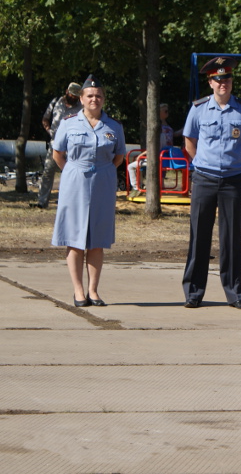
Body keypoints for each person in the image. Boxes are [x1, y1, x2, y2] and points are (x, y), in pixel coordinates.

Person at [181, 56, 241, 310]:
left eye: (226, 78)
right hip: (204, 179)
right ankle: (193, 293)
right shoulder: (198, 109)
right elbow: (189, 142)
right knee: (199, 237)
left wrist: (237, 163)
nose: (223, 83)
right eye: (218, 79)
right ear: (210, 82)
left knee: (231, 239)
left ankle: (235, 293)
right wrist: (203, 163)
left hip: (232, 181)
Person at [51, 74, 126, 307]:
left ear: (104, 99)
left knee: (97, 239)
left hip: (102, 182)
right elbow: (58, 155)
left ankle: (93, 290)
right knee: (74, 238)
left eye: (99, 96)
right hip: (75, 181)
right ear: (81, 99)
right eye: (90, 95)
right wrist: (74, 172)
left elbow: (119, 156)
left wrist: (101, 173)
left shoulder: (114, 126)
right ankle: (78, 291)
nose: (94, 99)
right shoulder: (68, 123)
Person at [32, 82, 82, 209]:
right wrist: (49, 131)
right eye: (72, 95)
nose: (74, 98)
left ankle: (67, 203)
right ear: (67, 91)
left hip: (72, 144)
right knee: (48, 171)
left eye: (77, 96)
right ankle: (42, 202)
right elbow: (45, 119)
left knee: (70, 174)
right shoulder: (56, 102)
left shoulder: (81, 107)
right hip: (55, 143)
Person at [127, 103, 175, 197]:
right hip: (164, 156)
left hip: (159, 157)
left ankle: (137, 187)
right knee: (137, 165)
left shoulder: (161, 128)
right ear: (159, 112)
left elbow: (154, 147)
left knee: (131, 166)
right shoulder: (161, 128)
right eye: (165, 111)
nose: (167, 113)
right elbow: (155, 146)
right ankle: (141, 186)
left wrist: (141, 155)